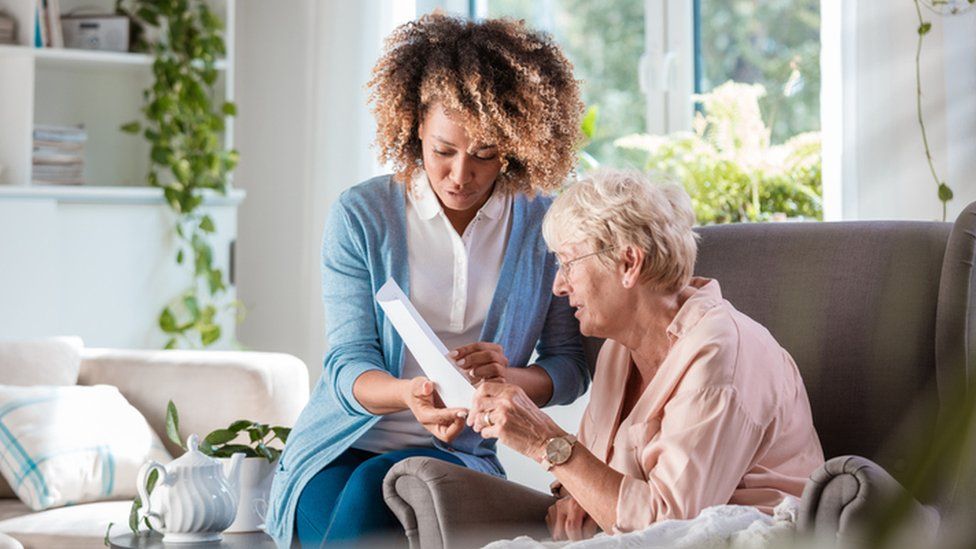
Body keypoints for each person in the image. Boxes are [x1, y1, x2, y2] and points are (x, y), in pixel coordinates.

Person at [265, 13, 590, 548]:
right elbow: (347, 363)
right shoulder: (362, 215)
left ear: (513, 144)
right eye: (443, 150)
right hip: (338, 448)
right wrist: (408, 395)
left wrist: (508, 381)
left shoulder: (542, 227)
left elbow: (569, 367)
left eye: (485, 154)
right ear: (415, 124)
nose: (461, 174)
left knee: (382, 485)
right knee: (361, 500)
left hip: (457, 453)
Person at [468, 169, 825, 541]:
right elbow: (592, 470)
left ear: (628, 263)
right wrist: (574, 494)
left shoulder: (720, 353)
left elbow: (673, 529)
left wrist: (545, 441)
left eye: (569, 263)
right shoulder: (617, 352)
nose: (558, 285)